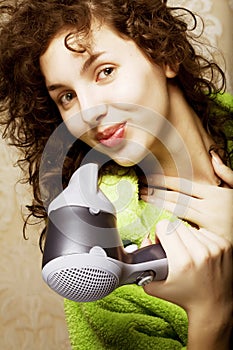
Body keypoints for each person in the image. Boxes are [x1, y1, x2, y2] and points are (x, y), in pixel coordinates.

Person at [0, 0, 232, 349]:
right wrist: (211, 314)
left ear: (164, 54)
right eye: (66, 96)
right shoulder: (96, 252)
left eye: (104, 71)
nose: (88, 112)